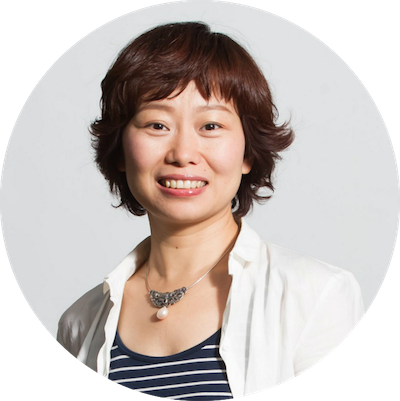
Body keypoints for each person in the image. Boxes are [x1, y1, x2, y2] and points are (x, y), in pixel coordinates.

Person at [57, 22, 364, 399]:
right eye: (157, 124)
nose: (183, 153)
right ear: (120, 148)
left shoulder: (315, 297)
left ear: (248, 152)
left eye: (211, 125)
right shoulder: (81, 323)